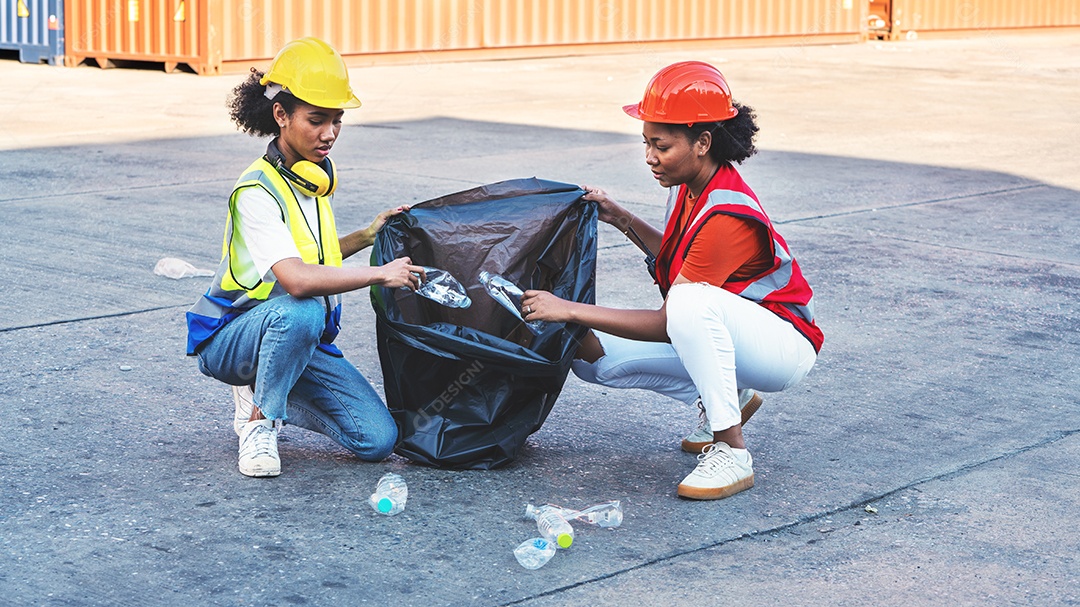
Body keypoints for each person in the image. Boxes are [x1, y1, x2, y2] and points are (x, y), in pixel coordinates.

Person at [521, 61, 823, 500]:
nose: (649, 157)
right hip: (735, 332)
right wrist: (621, 217)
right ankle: (729, 401)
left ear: (703, 142)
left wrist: (566, 308)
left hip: (782, 346)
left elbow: (674, 316)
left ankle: (731, 451)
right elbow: (680, 255)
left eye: (660, 145)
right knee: (587, 354)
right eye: (646, 143)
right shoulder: (689, 184)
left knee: (687, 305)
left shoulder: (726, 213)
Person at [186, 37, 424, 477]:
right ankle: (260, 421)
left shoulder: (309, 181)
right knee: (302, 310)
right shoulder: (256, 190)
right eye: (317, 120)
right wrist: (379, 275)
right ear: (281, 114)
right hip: (231, 339)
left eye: (337, 120)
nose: (329, 134)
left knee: (376, 440)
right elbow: (296, 281)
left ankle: (270, 391)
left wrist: (369, 235)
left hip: (296, 337)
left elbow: (319, 258)